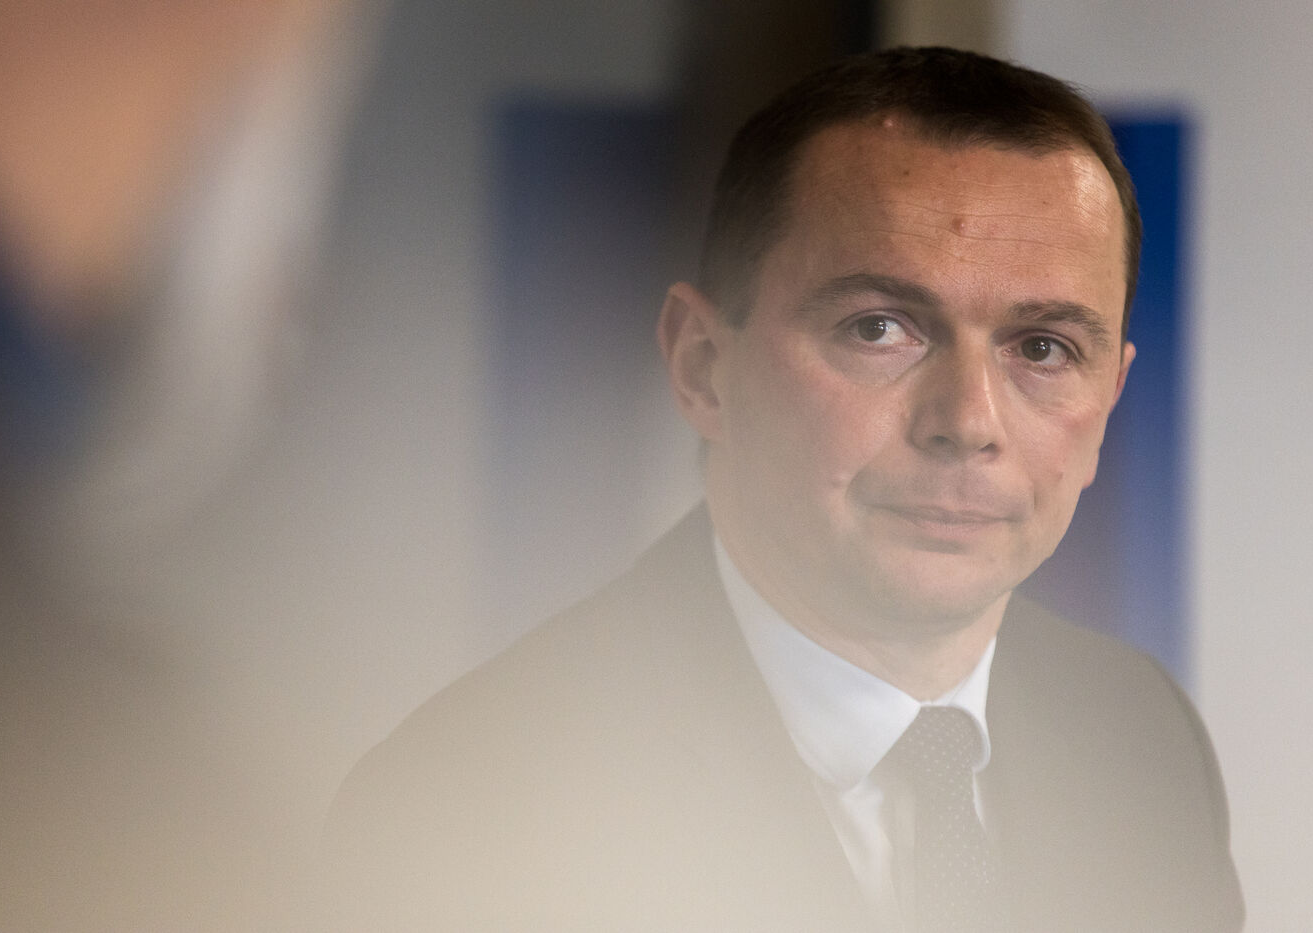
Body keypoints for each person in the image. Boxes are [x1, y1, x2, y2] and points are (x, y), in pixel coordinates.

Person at [323, 46, 1244, 931]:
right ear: (703, 368)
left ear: (1109, 397)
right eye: (878, 328)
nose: (969, 421)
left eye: (1044, 348)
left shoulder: (1142, 740)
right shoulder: (464, 813)